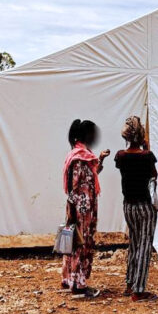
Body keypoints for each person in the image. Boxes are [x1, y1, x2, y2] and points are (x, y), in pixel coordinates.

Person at [61, 119, 110, 299]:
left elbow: (90, 177)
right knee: (81, 243)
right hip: (82, 209)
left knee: (76, 242)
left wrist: (101, 159)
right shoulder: (79, 158)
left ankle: (70, 278)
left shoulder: (83, 156)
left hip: (83, 207)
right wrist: (73, 211)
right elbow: (73, 187)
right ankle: (79, 284)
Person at [115, 116, 158, 302]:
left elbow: (123, 163)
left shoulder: (120, 156)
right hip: (144, 206)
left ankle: (130, 283)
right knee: (144, 245)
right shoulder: (147, 156)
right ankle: (139, 290)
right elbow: (154, 175)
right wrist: (145, 148)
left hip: (128, 206)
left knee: (133, 244)